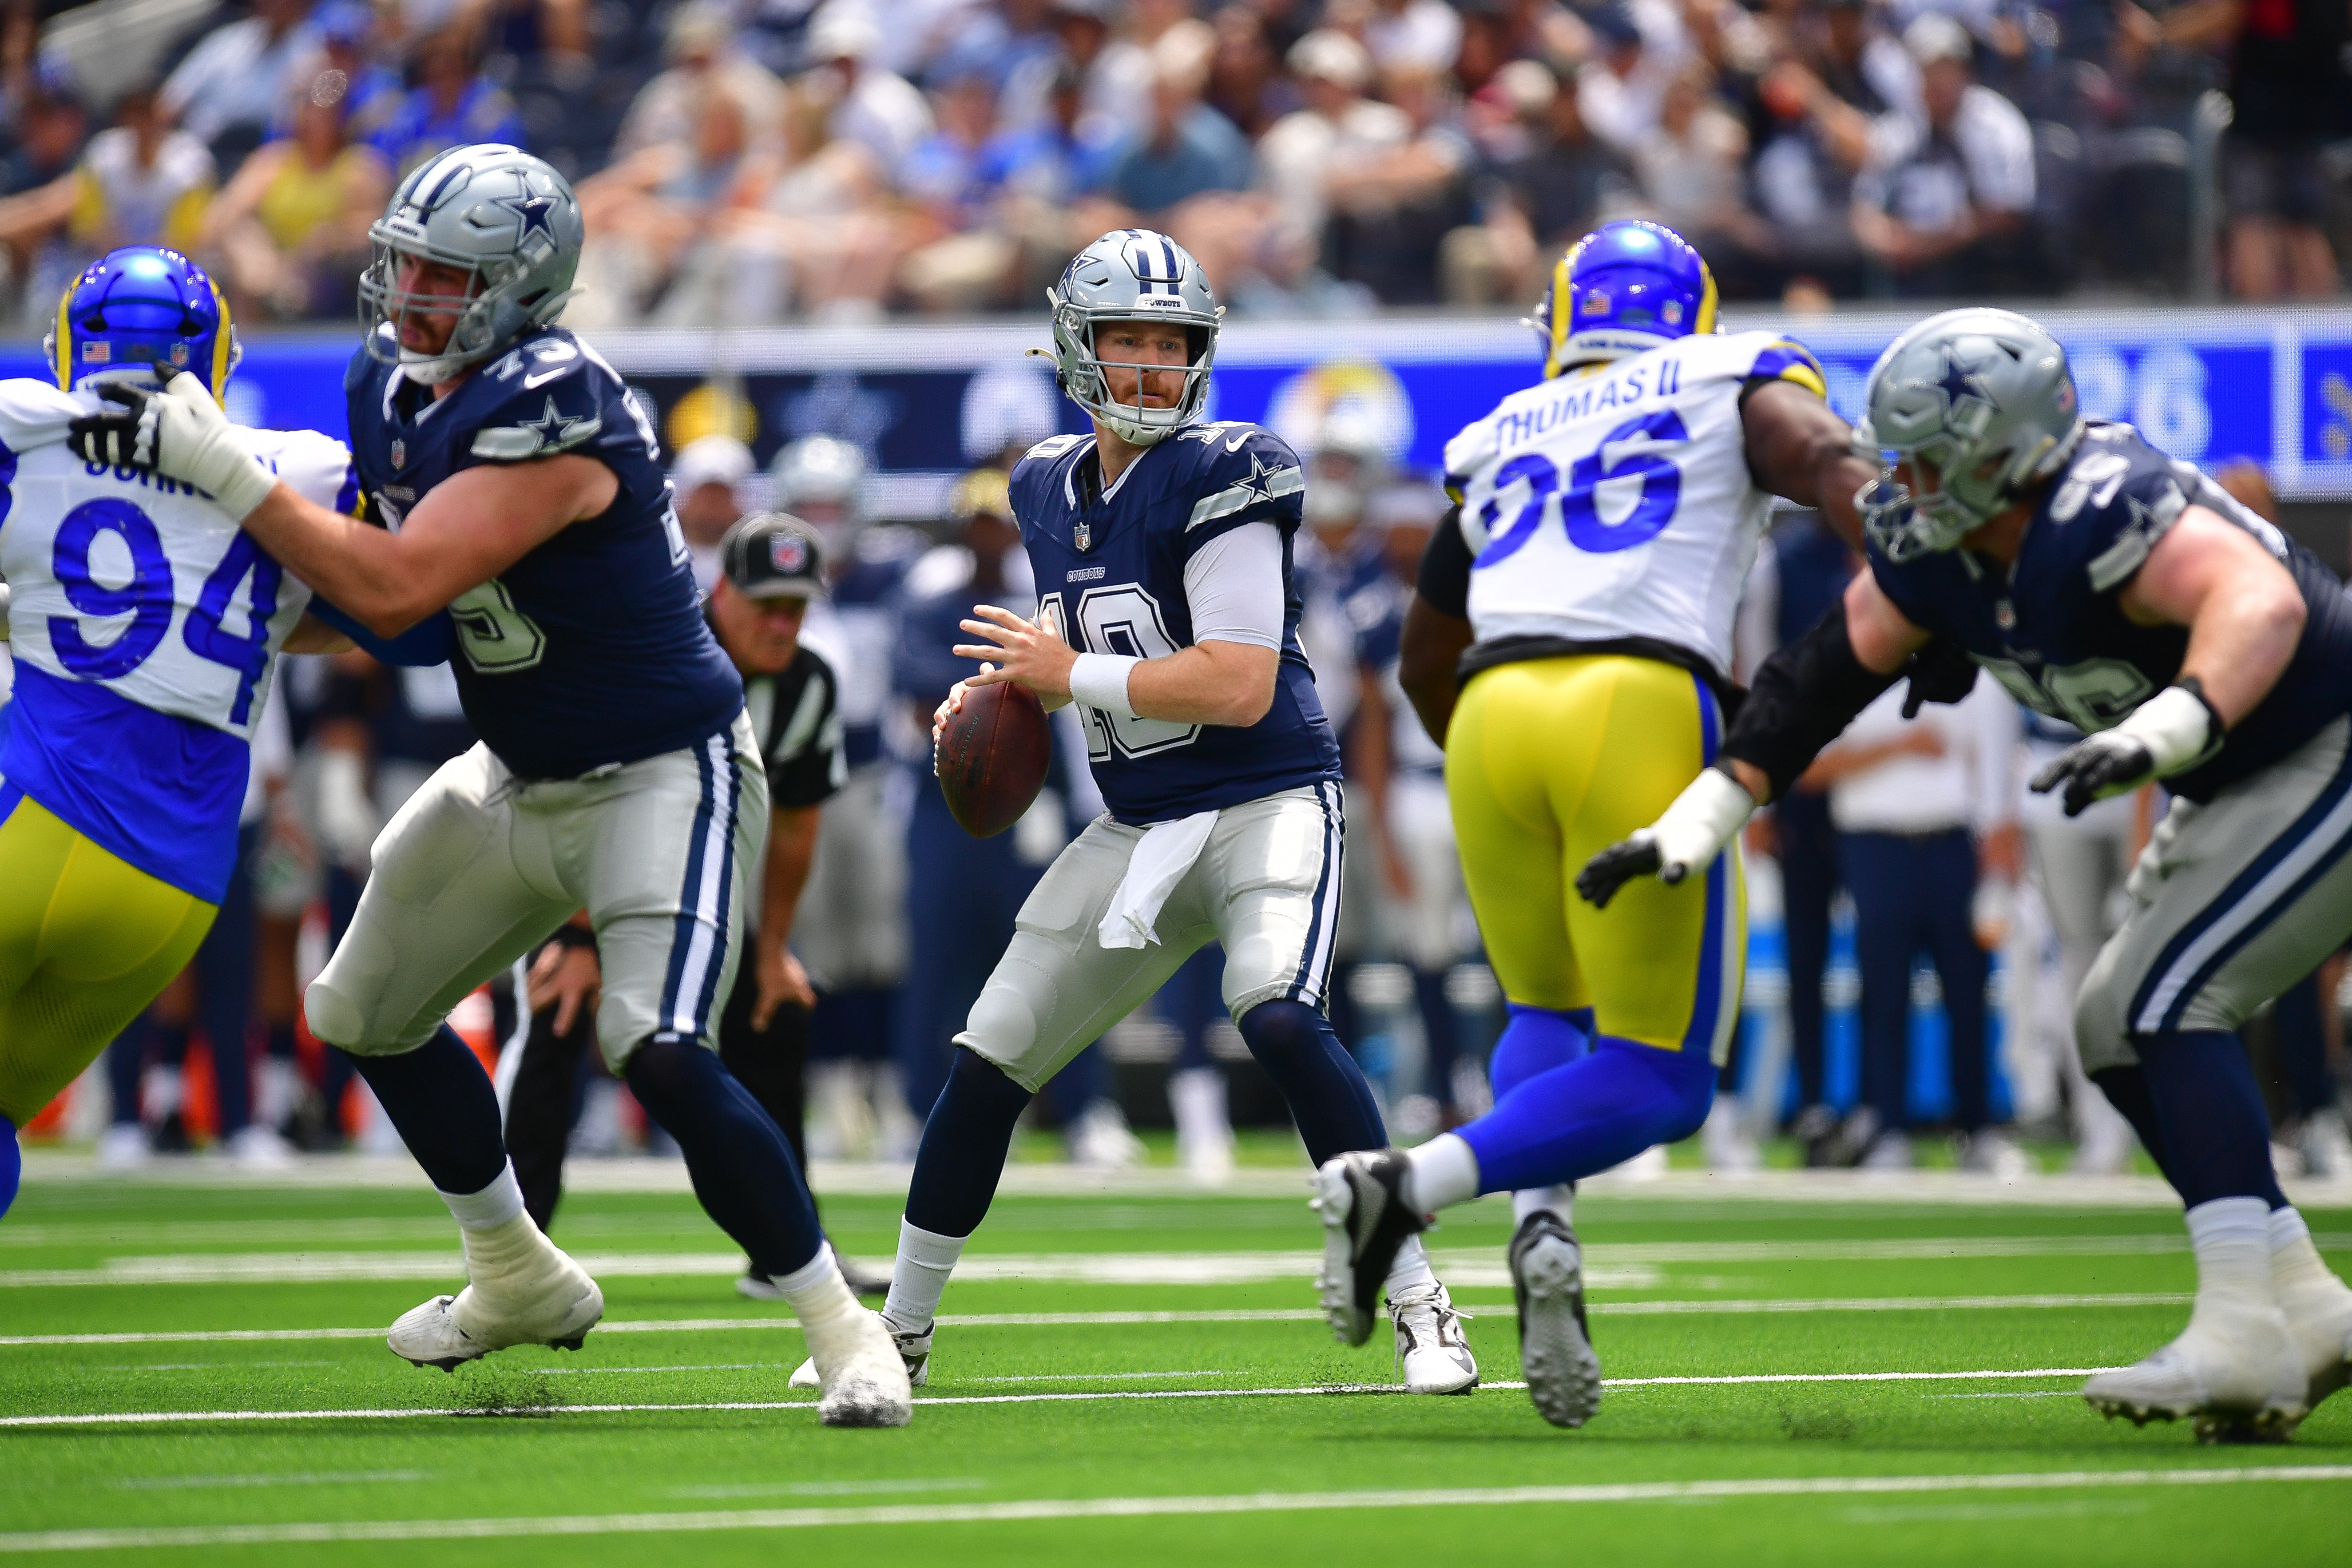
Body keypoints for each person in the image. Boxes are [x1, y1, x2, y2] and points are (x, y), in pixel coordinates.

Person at [70, 145, 907, 1427]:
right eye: (404, 263)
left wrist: (223, 467)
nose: (410, 294)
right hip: (519, 763)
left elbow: (401, 581)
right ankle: (513, 1268)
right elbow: (396, 617)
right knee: (359, 1007)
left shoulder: (559, 400)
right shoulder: (388, 382)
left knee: (659, 1045)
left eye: (445, 274)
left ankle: (847, 1330)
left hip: (662, 774)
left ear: (524, 286)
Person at [1579, 306, 2352, 1441]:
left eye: (1932, 456)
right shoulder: (1936, 551)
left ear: (2011, 445)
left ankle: (2239, 1323)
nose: (1907, 482)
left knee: (2164, 1001)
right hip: (2242, 774)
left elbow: (2260, 602)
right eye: (1900, 455)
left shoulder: (2108, 502)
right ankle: (2302, 1301)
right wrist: (1701, 817)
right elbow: (1821, 673)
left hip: (2323, 740)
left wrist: (2173, 725)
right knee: (2112, 1025)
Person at [790, 228, 1478, 1400]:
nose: (1156, 369)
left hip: (1266, 799)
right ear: (1077, 346)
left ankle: (1420, 1297)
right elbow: (1085, 648)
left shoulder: (1231, 468)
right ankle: (891, 1333)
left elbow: (1235, 679)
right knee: (990, 1053)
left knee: (1277, 1014)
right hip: (1138, 818)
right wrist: (1004, 688)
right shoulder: (1041, 484)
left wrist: (1068, 680)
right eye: (1131, 343)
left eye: (1175, 347)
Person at [1316, 219, 1883, 1429]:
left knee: (1543, 1011)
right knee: (1663, 1077)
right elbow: (1822, 454)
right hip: (1632, 698)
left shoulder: (1500, 429)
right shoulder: (1735, 370)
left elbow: (1427, 652)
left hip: (1488, 717)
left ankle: (1542, 1226)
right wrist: (1907, 553)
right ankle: (1411, 1181)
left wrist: (1487, 745)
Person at [0, 245, 377, 1220]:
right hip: (174, 884)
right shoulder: (300, 466)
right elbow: (387, 616)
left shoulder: (22, 429)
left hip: (31, 818)